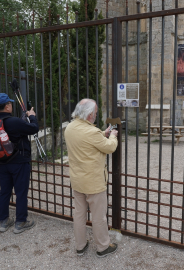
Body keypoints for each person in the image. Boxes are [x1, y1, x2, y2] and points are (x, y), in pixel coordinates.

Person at [64, 99, 119, 258]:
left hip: (77, 180)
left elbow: (87, 139)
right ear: (89, 115)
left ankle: (80, 246)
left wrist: (103, 133)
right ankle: (103, 247)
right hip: (94, 183)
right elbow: (109, 147)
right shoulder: (91, 132)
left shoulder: (70, 127)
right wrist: (113, 136)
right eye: (94, 113)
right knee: (99, 217)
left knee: (79, 215)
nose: (96, 115)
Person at [0, 93, 39, 234]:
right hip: (19, 162)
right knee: (21, 192)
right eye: (10, 104)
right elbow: (34, 128)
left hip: (1, 162)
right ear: (7, 106)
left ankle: (4, 222)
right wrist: (32, 116)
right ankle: (20, 222)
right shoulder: (14, 122)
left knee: (4, 192)